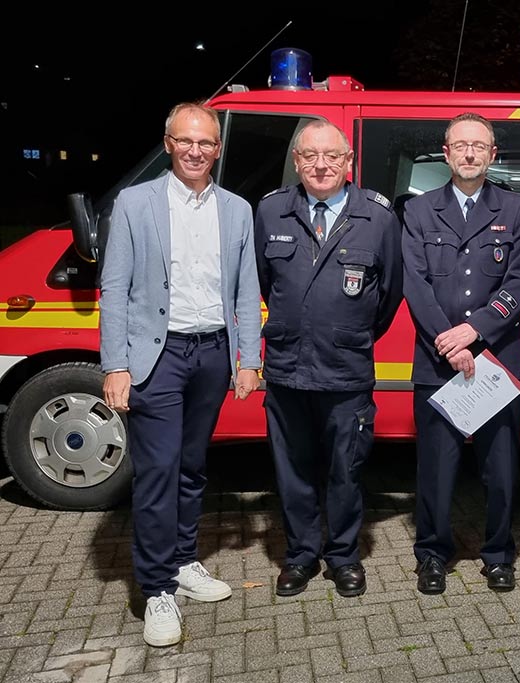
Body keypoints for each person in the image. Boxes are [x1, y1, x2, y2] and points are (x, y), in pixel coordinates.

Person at [99, 103, 262, 647]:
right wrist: (116, 364)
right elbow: (115, 287)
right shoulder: (135, 203)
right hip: (157, 356)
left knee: (193, 466)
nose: (197, 151)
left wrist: (247, 358)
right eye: (186, 141)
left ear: (218, 148)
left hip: (213, 354)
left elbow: (245, 290)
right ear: (168, 143)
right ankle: (156, 588)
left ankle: (186, 560)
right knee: (158, 471)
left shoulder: (238, 209)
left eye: (207, 143)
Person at [254, 121, 403, 599]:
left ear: (349, 162)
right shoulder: (272, 211)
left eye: (333, 156)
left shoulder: (378, 217)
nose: (322, 165)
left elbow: (390, 294)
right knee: (292, 470)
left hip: (346, 370)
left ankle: (342, 556)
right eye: (311, 156)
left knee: (346, 470)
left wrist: (349, 334)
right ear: (296, 161)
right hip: (286, 369)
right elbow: (264, 282)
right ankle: (300, 555)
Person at [402, 112, 520, 594]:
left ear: (493, 154)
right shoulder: (418, 210)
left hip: (497, 358)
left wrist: (474, 332)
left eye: (479, 145)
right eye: (461, 145)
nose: (470, 153)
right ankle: (432, 555)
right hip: (437, 360)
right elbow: (414, 284)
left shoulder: (517, 210)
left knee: (499, 469)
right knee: (436, 468)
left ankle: (498, 554)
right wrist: (448, 339)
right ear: (446, 152)